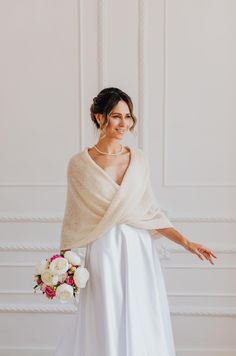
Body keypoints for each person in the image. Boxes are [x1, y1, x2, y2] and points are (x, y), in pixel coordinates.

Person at [54, 87, 217, 356]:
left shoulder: (138, 160)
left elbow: (150, 212)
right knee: (105, 312)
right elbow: (73, 218)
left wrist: (187, 243)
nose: (124, 124)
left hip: (138, 246)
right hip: (104, 247)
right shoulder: (79, 164)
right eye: (116, 116)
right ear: (99, 117)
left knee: (141, 312)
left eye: (128, 116)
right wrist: (63, 263)